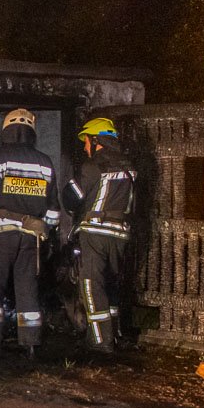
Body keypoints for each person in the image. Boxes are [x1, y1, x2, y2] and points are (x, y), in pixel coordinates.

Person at [0, 108, 60, 355]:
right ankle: (31, 343)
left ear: (6, 130)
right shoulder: (45, 162)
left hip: (0, 233)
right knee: (27, 288)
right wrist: (46, 229)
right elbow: (53, 210)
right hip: (32, 236)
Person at [62, 116, 136, 352]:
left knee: (92, 285)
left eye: (86, 142)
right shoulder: (128, 167)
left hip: (95, 233)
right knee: (112, 284)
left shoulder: (93, 167)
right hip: (121, 234)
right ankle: (114, 335)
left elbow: (71, 198)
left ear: (96, 141)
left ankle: (100, 341)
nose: (85, 147)